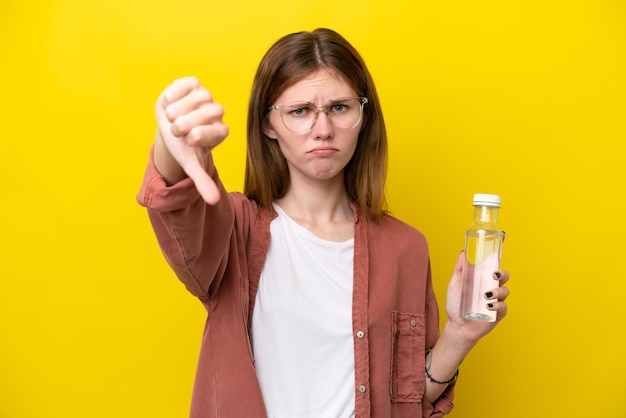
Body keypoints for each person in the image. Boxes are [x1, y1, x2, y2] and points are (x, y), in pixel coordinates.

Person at [137, 28, 510, 418]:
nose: (323, 129)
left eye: (339, 107)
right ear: (268, 124)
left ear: (363, 116)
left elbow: (405, 403)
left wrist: (460, 334)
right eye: (299, 111)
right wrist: (171, 145)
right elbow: (179, 205)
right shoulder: (235, 229)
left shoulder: (405, 247)